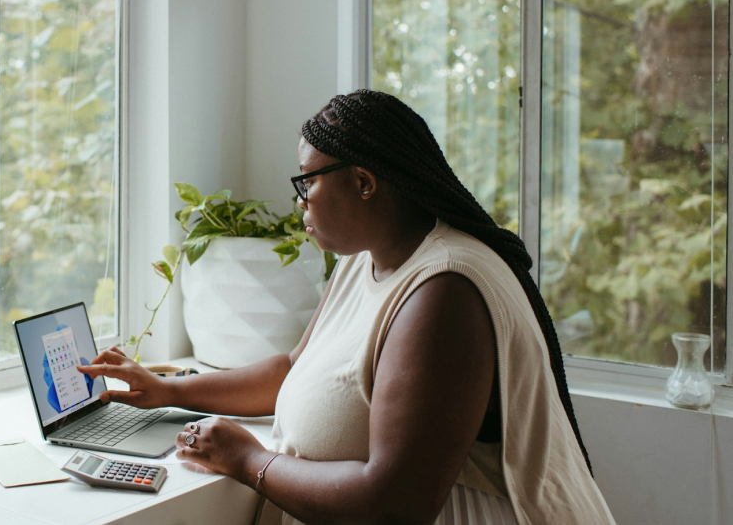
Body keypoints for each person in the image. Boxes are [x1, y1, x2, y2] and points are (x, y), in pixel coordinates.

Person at [78, 89, 617, 525]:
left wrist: (248, 460)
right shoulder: (369, 259)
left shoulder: (444, 292)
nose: (299, 201)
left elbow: (394, 505)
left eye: (306, 181)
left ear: (362, 181)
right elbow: (295, 368)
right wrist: (169, 388)